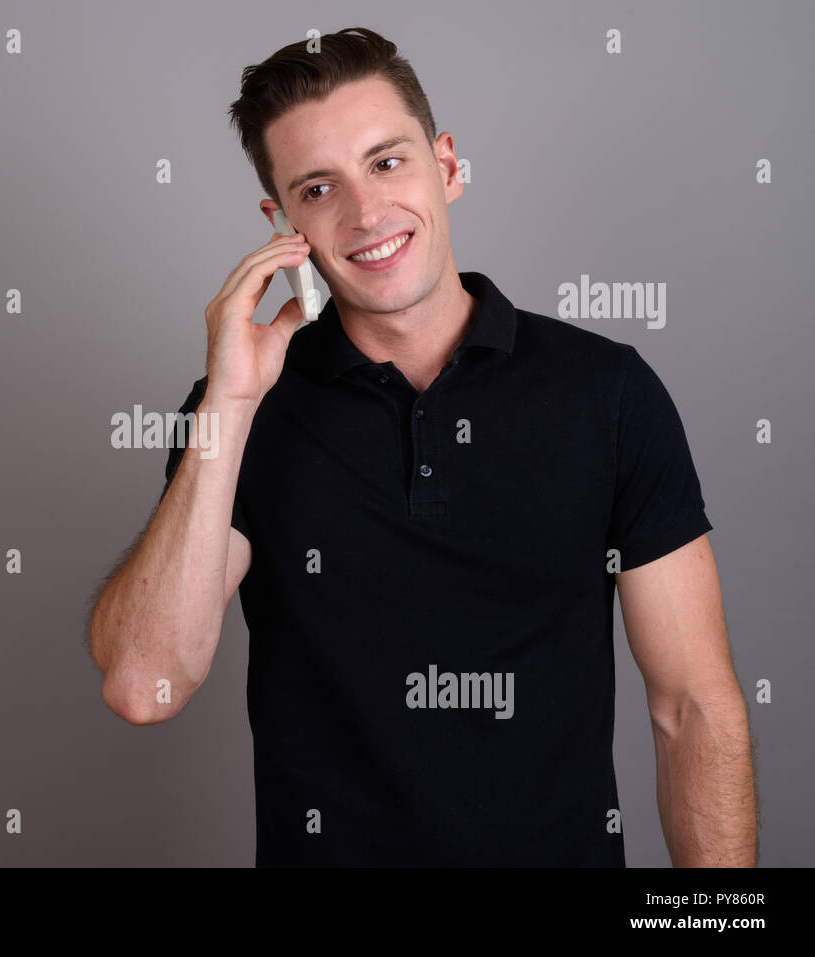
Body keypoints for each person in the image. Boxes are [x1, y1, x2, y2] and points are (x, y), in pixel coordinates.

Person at [86, 27, 756, 867]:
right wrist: (229, 398)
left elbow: (693, 706)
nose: (366, 213)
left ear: (446, 166)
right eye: (319, 187)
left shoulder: (607, 392)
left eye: (388, 162)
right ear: (282, 223)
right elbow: (145, 685)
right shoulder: (240, 415)